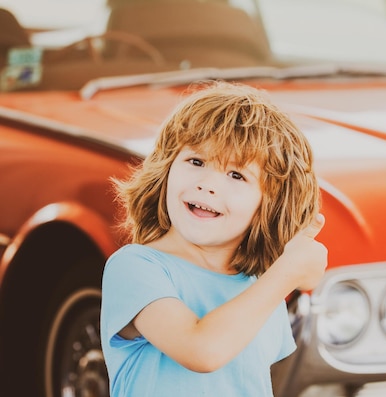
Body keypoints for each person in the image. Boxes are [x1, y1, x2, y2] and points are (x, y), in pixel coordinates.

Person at [100, 80, 328, 397]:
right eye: (196, 161)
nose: (208, 184)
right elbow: (202, 351)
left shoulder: (259, 286)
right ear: (165, 170)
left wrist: (280, 275)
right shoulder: (135, 267)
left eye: (236, 175)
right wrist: (287, 272)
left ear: (268, 204)